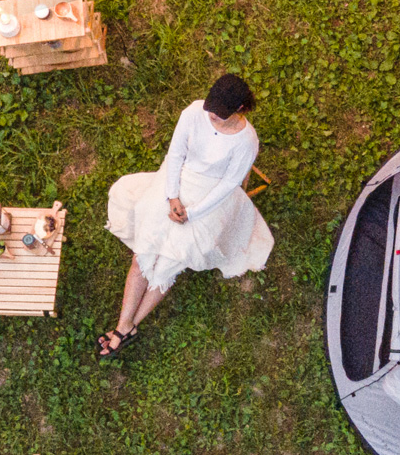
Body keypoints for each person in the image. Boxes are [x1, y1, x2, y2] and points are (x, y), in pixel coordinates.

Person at [98, 74, 274, 357]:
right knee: (143, 254)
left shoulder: (246, 141)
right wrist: (172, 196)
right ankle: (125, 326)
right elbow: (176, 153)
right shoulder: (194, 112)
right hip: (177, 180)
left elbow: (229, 185)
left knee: (168, 262)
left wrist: (192, 212)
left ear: (240, 110)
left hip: (212, 197)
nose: (213, 116)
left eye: (220, 114)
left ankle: (125, 329)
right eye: (211, 110)